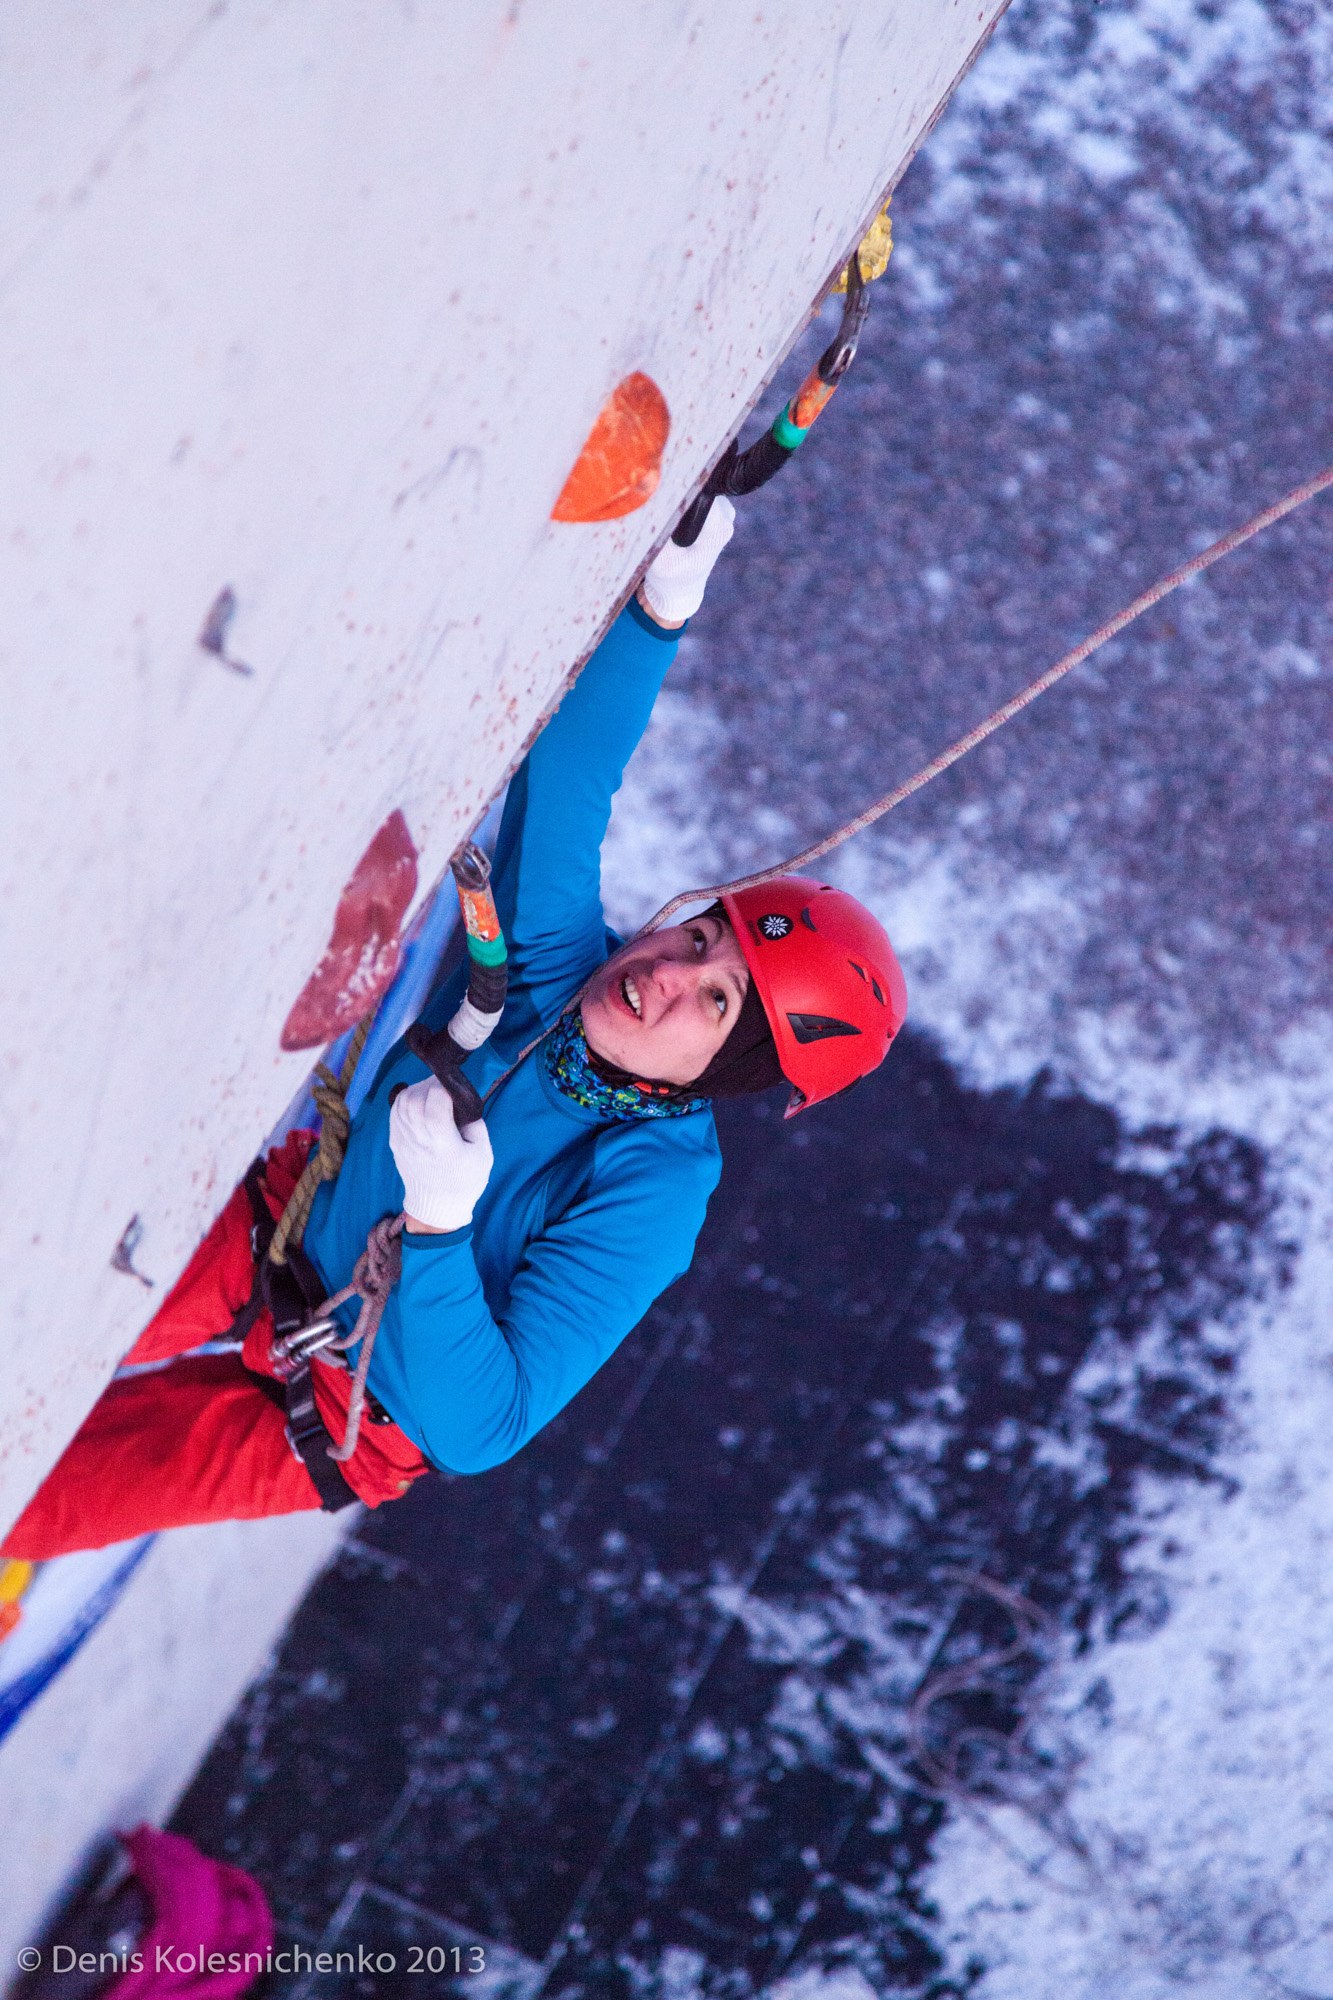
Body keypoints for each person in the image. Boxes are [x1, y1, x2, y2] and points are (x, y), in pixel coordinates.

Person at [3, 500, 906, 1561]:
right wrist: (658, 612)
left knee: (32, 1502)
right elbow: (566, 786)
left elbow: (483, 1423)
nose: (668, 973)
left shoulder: (653, 1191)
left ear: (727, 1070)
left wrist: (438, 1226)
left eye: (715, 1002)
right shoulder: (555, 973)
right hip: (280, 1231)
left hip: (340, 1420)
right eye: (702, 937)